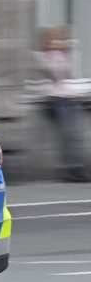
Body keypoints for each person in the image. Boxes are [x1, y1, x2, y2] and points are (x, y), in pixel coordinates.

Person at [33, 24, 89, 182]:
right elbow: (56, 74)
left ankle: (77, 168)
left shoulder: (65, 54)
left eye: (60, 39)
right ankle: (72, 170)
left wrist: (70, 52)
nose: (58, 43)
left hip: (70, 96)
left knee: (76, 136)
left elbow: (73, 71)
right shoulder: (46, 56)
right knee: (68, 136)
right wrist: (59, 57)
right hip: (57, 99)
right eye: (55, 40)